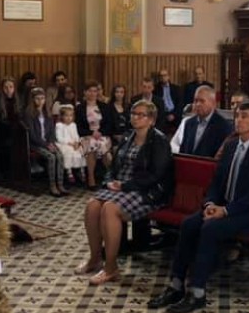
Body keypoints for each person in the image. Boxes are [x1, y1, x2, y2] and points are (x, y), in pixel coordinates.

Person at [147, 102, 249, 313]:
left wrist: (225, 211)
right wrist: (210, 204)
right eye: (237, 116)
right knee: (189, 224)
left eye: (244, 116)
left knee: (210, 229)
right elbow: (216, 182)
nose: (239, 120)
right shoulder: (231, 146)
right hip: (221, 207)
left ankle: (197, 292)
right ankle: (176, 285)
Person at [80, 101, 174, 286]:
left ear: (151, 120)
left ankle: (111, 268)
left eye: (141, 115)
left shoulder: (159, 141)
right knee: (92, 206)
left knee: (109, 209)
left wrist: (126, 185)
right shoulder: (127, 137)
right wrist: (108, 182)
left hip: (145, 191)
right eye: (133, 113)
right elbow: (113, 167)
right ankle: (95, 258)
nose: (135, 117)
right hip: (120, 187)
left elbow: (156, 175)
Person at [23, 87, 66, 196]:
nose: (40, 101)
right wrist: (46, 145)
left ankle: (60, 184)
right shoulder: (29, 113)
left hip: (48, 142)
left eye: (42, 98)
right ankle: (52, 186)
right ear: (33, 100)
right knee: (51, 157)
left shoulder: (47, 112)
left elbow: (51, 130)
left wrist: (51, 142)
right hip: (36, 144)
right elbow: (32, 135)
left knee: (60, 156)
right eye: (37, 98)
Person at [169, 85, 233, 157]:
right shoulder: (188, 123)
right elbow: (183, 151)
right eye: (196, 101)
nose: (198, 104)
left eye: (202, 101)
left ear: (213, 103)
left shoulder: (224, 126)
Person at [76, 81, 114, 188]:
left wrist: (100, 132)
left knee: (102, 145)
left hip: (102, 134)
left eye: (95, 91)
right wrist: (91, 133)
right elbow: (78, 127)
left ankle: (110, 176)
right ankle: (91, 178)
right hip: (86, 135)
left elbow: (109, 124)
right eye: (90, 91)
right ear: (85, 92)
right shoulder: (79, 108)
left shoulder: (104, 106)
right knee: (91, 144)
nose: (92, 93)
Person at [53, 103, 86, 184]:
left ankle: (81, 171)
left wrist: (77, 142)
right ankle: (69, 172)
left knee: (80, 151)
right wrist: (70, 143)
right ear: (62, 116)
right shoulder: (59, 125)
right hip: (64, 143)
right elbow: (59, 138)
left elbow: (76, 135)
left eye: (71, 115)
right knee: (68, 152)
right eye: (66, 116)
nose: (69, 118)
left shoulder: (73, 125)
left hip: (74, 143)